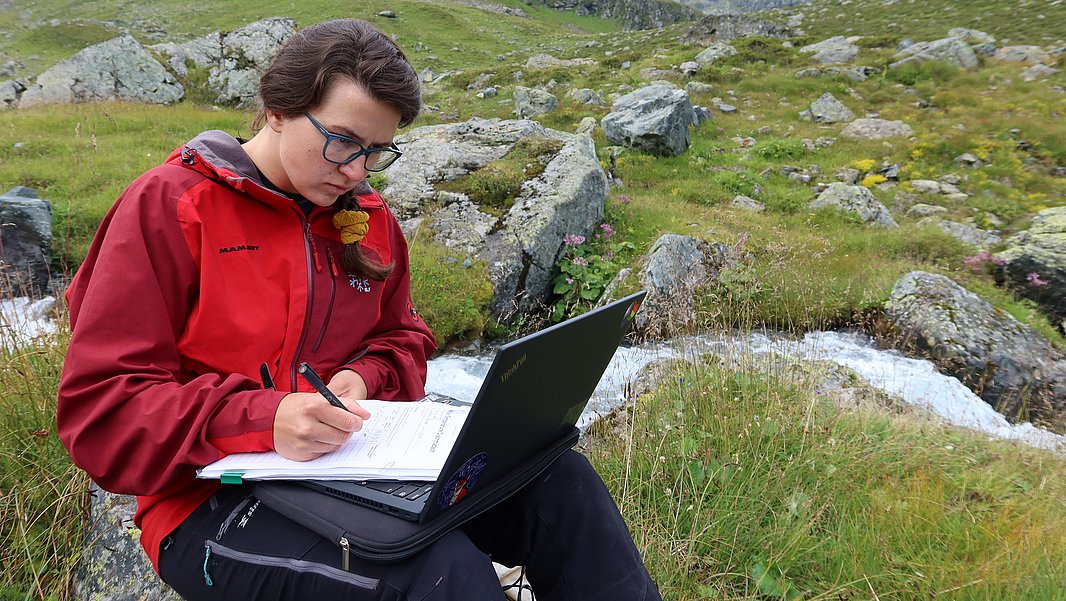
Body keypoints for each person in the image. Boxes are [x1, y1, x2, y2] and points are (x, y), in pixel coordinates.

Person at [57, 18, 662, 600]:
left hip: (350, 470)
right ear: (277, 108)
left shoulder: (367, 218)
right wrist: (264, 418)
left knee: (563, 486)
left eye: (376, 151)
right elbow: (102, 410)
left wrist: (365, 377)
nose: (355, 172)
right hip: (206, 501)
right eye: (342, 142)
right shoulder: (171, 207)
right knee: (440, 573)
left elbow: (404, 340)